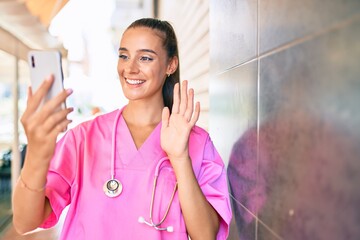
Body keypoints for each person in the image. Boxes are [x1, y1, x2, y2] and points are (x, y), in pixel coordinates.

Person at [12, 18, 232, 239]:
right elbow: (24, 222)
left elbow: (206, 236)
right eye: (124, 56)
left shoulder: (195, 142)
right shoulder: (84, 139)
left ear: (170, 65)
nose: (130, 68)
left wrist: (180, 158)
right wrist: (37, 155)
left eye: (145, 58)